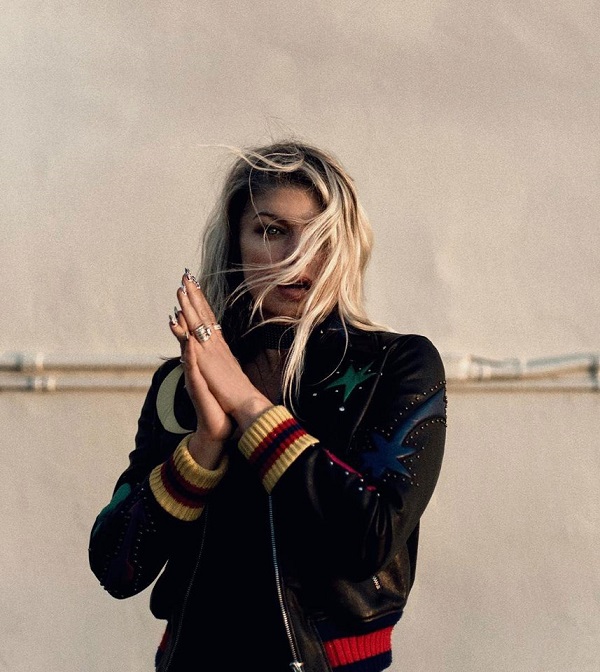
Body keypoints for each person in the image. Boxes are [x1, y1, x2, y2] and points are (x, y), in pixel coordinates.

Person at [89, 141, 447, 672]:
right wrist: (204, 446)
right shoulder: (180, 384)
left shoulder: (398, 365)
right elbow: (117, 566)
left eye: (320, 235)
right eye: (272, 231)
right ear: (235, 244)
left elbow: (368, 539)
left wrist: (246, 403)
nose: (298, 256)